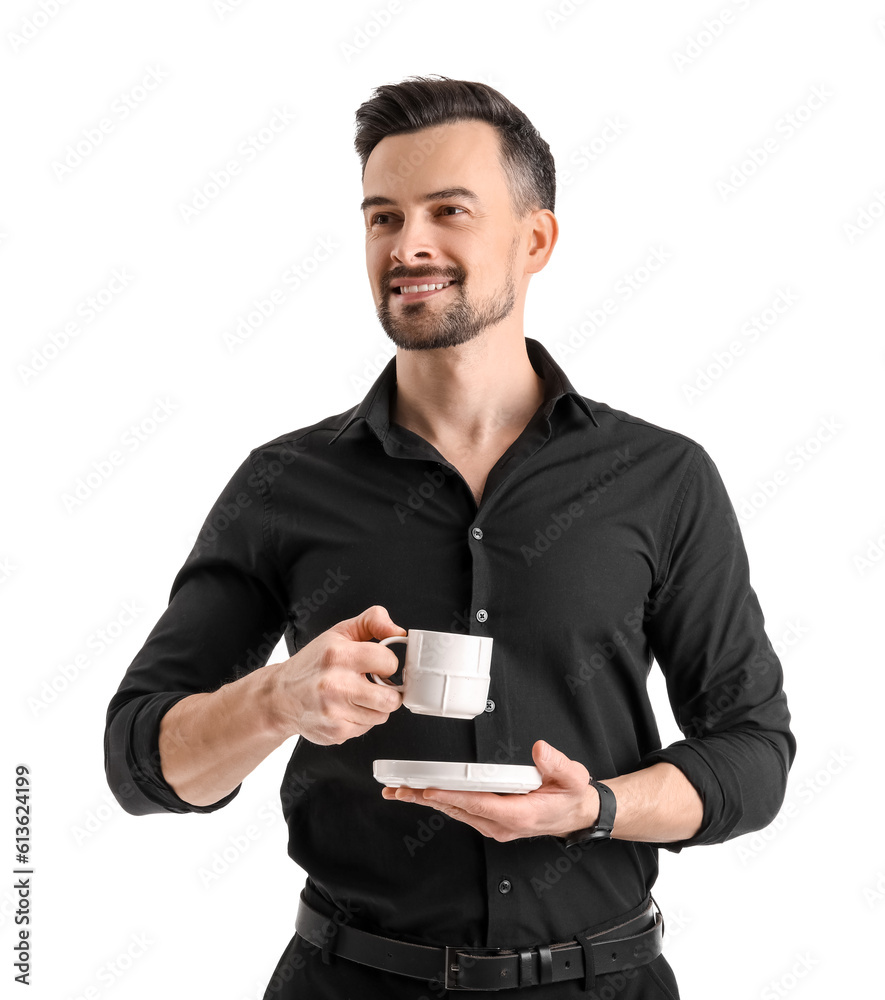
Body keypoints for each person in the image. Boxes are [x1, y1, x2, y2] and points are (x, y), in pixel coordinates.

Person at [104, 75, 795, 999]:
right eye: (382, 217)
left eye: (448, 211)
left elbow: (752, 751)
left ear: (535, 239)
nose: (408, 244)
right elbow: (141, 763)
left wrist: (594, 809)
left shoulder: (660, 477)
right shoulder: (282, 484)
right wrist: (276, 697)